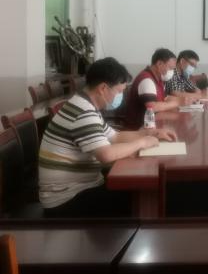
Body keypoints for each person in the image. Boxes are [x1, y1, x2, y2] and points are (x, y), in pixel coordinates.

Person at [38, 57, 176, 217]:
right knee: (140, 195)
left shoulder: (85, 105)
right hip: (66, 200)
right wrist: (142, 142)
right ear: (103, 88)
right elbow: (106, 154)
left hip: (82, 188)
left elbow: (116, 137)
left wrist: (150, 133)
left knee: (139, 192)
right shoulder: (83, 112)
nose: (121, 96)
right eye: (119, 91)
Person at [125, 48, 188, 129]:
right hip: (138, 128)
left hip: (152, 124)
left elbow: (165, 98)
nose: (172, 72)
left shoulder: (159, 79)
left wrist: (184, 100)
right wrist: (178, 102)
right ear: (159, 64)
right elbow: (152, 107)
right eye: (170, 68)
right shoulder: (146, 80)